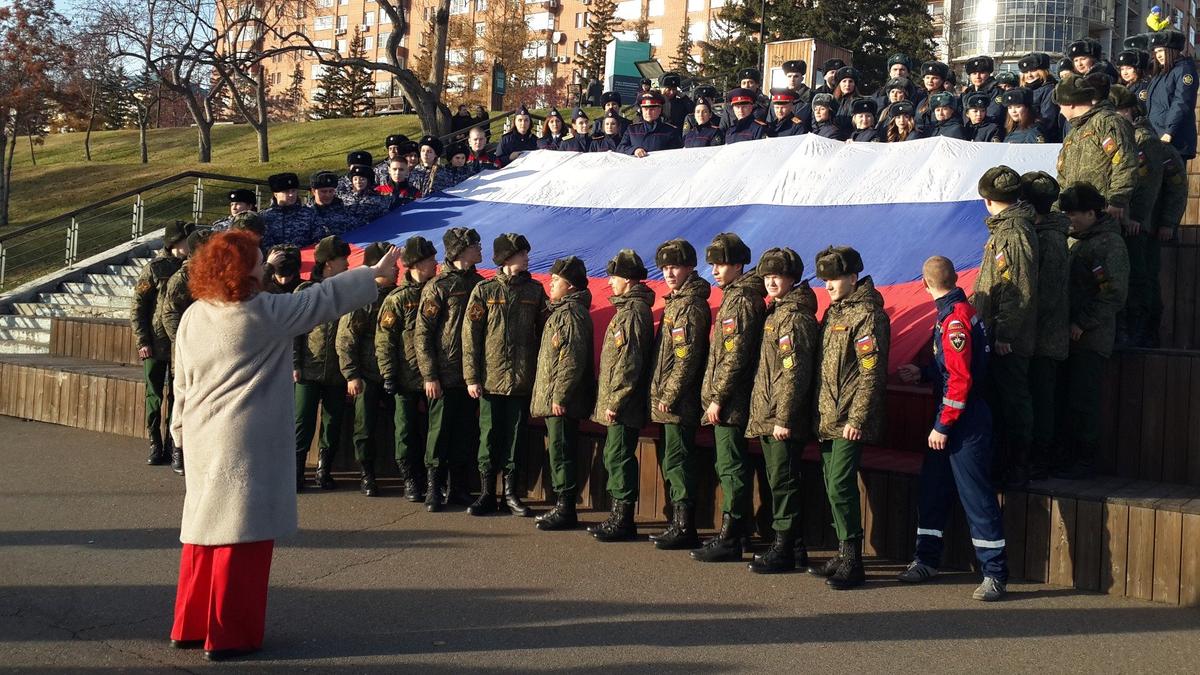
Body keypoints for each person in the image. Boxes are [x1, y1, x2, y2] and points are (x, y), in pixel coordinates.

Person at [168, 229, 398, 662]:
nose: (266, 265)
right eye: (258, 261)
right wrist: (374, 275)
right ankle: (229, 635)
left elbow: (180, 380)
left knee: (202, 534)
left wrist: (179, 431)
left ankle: (190, 624)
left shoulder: (195, 313)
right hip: (244, 440)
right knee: (242, 538)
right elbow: (319, 302)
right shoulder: (259, 312)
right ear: (243, 271)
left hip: (201, 433)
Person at [895, 256, 1008, 602]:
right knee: (933, 490)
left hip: (963, 421)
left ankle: (995, 574)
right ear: (956, 277)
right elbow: (951, 367)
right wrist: (924, 373)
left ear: (924, 284)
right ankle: (927, 559)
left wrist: (944, 425)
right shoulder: (955, 311)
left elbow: (960, 379)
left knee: (976, 496)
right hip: (952, 418)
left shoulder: (956, 318)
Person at [809, 246, 890, 590]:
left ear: (853, 278)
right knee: (831, 482)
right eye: (825, 278)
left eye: (834, 278)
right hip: (828, 414)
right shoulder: (834, 312)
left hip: (848, 418)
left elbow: (871, 374)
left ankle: (853, 560)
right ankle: (843, 553)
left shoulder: (868, 316)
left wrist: (857, 417)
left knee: (841, 484)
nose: (828, 285)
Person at [692, 233, 765, 565]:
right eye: (712, 265)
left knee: (731, 467)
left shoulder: (741, 301)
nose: (715, 271)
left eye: (721, 264)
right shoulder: (736, 296)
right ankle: (735, 531)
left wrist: (718, 397)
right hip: (728, 398)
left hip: (732, 401)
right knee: (728, 465)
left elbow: (735, 357)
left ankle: (732, 536)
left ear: (738, 265)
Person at [744, 248, 818, 574]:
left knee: (783, 482)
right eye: (767, 276)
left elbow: (795, 372)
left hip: (782, 418)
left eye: (778, 276)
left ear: (792, 278)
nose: (771, 281)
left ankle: (784, 547)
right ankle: (795, 547)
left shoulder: (795, 317)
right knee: (780, 479)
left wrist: (784, 418)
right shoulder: (777, 312)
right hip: (770, 414)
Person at [463, 233, 548, 517]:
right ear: (507, 258)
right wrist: (471, 377)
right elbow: (470, 336)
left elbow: (546, 330)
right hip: (490, 379)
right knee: (488, 436)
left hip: (522, 379)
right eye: (522, 252)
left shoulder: (535, 291)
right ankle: (487, 492)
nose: (527, 257)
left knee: (514, 437)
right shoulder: (484, 291)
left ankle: (510, 493)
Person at [970, 166, 1038, 488]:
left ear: (987, 200)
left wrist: (1006, 334)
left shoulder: (1012, 234)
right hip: (997, 333)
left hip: (1008, 338)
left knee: (1013, 403)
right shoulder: (1005, 231)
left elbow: (1017, 288)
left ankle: (1017, 466)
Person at [1058, 184, 1130, 479]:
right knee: (1069, 399)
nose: (1069, 219)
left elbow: (1113, 293)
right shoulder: (1079, 240)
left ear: (1092, 212)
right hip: (1070, 336)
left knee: (1084, 402)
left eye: (1074, 214)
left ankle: (1084, 461)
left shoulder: (1108, 245)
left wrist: (1082, 322)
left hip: (1091, 337)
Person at [418, 228, 488, 513]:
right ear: (460, 251)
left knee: (464, 432)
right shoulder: (438, 286)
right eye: (475, 245)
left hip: (470, 375)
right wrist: (429, 374)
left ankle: (458, 488)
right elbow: (423, 333)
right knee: (439, 432)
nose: (480, 249)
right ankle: (433, 488)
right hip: (444, 374)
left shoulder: (480, 285)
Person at [647, 239, 711, 551]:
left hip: (679, 401)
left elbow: (687, 358)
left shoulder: (689, 305)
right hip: (667, 398)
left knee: (679, 461)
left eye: (674, 267)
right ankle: (678, 521)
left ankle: (685, 525)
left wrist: (669, 394)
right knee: (672, 459)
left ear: (689, 268)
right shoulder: (676, 301)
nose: (669, 273)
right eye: (664, 268)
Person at [1111, 84, 1185, 347]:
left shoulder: (1144, 141)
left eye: (1118, 111)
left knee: (1141, 279)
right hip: (1127, 222)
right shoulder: (1125, 137)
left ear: (1131, 110)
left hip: (1141, 225)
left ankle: (1142, 332)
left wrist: (1160, 221)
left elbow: (1149, 186)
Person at [589, 249, 655, 543]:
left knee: (618, 456)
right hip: (620, 400)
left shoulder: (633, 312)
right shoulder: (627, 309)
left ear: (627, 280)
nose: (610, 283)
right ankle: (618, 515)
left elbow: (629, 361)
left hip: (624, 403)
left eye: (614, 277)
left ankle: (623, 518)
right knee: (614, 455)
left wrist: (615, 400)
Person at [530, 256, 594, 531]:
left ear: (570, 287)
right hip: (556, 398)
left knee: (561, 449)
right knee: (558, 449)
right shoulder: (561, 312)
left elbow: (571, 360)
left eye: (556, 281)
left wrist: (560, 396)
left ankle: (565, 507)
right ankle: (561, 503)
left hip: (562, 401)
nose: (550, 284)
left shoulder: (571, 315)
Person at [376, 236, 438, 502]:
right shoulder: (397, 299)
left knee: (433, 431)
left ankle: (433, 479)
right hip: (405, 377)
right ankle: (410, 478)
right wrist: (389, 374)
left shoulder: (437, 292)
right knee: (406, 431)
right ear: (414, 265)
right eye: (429, 261)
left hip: (434, 375)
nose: (435, 265)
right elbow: (385, 340)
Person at [292, 235, 354, 492]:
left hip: (337, 372)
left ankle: (324, 470)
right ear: (328, 263)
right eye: (342, 260)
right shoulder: (306, 292)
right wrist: (295, 363)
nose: (347, 265)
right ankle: (296, 471)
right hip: (309, 368)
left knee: (333, 421)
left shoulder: (347, 293)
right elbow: (294, 332)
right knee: (302, 421)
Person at [333, 243, 395, 498]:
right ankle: (366, 473)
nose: (396, 271)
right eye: (392, 266)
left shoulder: (395, 296)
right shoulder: (363, 299)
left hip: (392, 374)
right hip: (367, 374)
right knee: (365, 427)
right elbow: (346, 339)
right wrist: (352, 374)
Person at [1020, 172, 1070, 479]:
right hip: (1037, 335)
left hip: (1045, 337)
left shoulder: (1050, 239)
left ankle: (1042, 456)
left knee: (1042, 399)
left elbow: (1048, 293)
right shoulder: (1042, 234)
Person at [132, 220, 191, 467]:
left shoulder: (192, 268)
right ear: (175, 242)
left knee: (178, 397)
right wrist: (142, 340)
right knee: (155, 395)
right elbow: (138, 306)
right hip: (156, 343)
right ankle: (155, 442)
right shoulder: (154, 268)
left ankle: (173, 443)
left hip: (181, 343)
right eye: (187, 239)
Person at [159, 226, 213, 475]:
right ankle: (178, 448)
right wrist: (182, 341)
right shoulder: (182, 278)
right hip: (186, 349)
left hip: (211, 347)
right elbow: (169, 313)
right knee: (182, 399)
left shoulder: (214, 274)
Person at [1055, 75, 1138, 225]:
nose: (1060, 111)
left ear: (1071, 103)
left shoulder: (1107, 122)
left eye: (1061, 105)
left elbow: (1125, 160)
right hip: (1077, 217)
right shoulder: (1073, 134)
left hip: (1104, 214)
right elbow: (1062, 176)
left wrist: (1117, 199)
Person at [1146, 29, 1198, 160]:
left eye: (1161, 51)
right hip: (1156, 136)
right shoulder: (1161, 73)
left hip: (1173, 139)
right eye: (1156, 52)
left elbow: (1182, 102)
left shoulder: (1184, 70)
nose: (1158, 55)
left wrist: (1169, 131)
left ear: (1172, 50)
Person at [260, 173, 317, 249]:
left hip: (304, 259)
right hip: (273, 259)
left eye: (293, 191)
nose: (291, 195)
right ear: (276, 194)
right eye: (286, 192)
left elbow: (318, 241)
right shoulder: (264, 217)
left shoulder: (309, 214)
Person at [1017, 52, 1061, 141]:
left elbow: (1048, 120)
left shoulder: (1049, 90)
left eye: (1033, 70)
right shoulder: (1021, 91)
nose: (1029, 75)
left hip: (1039, 137)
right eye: (1025, 72)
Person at [307, 171, 361, 240]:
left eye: (331, 191)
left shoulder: (345, 209)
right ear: (313, 191)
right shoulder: (306, 214)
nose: (328, 195)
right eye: (324, 191)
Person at [961, 55, 1006, 126]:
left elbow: (994, 115)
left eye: (981, 73)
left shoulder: (996, 91)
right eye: (974, 73)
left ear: (989, 73)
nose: (977, 76)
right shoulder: (967, 93)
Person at [916, 61, 951, 129]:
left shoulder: (946, 100)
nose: (930, 81)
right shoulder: (923, 99)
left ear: (942, 80)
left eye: (935, 78)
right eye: (927, 77)